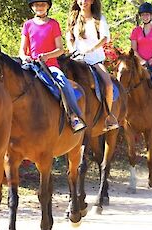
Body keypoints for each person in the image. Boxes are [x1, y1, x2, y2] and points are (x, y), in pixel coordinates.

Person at [20, 0, 87, 132]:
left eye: (42, 5)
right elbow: (22, 50)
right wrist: (24, 57)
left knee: (63, 82)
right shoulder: (27, 25)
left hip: (49, 65)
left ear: (47, 7)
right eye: (37, 5)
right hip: (32, 66)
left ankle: (73, 116)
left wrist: (47, 56)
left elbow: (60, 50)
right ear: (32, 7)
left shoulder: (53, 24)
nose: (40, 7)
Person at [65, 0, 119, 131]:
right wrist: (72, 49)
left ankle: (108, 116)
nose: (84, 2)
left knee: (108, 84)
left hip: (94, 60)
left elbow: (105, 38)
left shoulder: (99, 18)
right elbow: (69, 36)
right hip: (76, 60)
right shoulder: (73, 18)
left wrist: (91, 49)